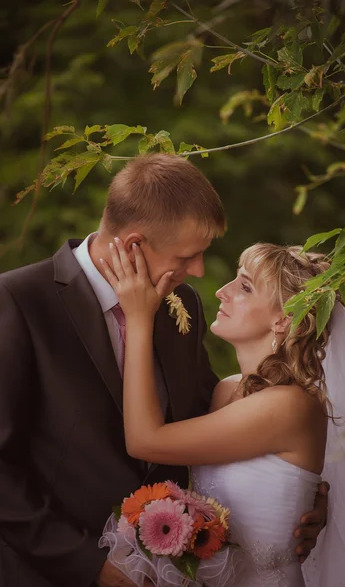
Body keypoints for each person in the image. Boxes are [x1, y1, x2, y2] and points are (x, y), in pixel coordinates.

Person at [0, 153, 327, 587]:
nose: (197, 271)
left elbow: (212, 424)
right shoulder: (19, 301)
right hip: (46, 574)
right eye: (189, 255)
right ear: (134, 245)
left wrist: (303, 498)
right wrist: (87, 564)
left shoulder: (180, 305)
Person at [101, 238, 332, 587]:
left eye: (245, 286)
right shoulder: (227, 389)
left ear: (284, 320)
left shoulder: (290, 403)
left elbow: (146, 440)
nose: (223, 292)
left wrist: (138, 318)